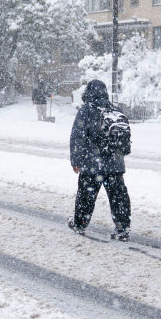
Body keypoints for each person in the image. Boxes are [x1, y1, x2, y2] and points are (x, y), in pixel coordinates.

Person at [68, 79, 131, 240]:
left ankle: (79, 224)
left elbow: (78, 137)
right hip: (115, 165)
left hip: (92, 164)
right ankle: (122, 228)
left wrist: (76, 160)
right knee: (118, 197)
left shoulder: (86, 110)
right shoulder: (115, 110)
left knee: (86, 196)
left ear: (88, 93)